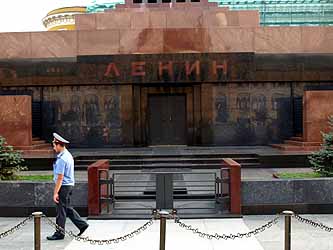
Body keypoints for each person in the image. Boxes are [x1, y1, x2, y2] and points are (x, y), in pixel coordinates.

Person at [47, 133, 89, 240]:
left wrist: (55, 192)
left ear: (59, 145)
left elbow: (60, 178)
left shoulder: (62, 159)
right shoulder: (68, 155)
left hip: (64, 186)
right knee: (66, 208)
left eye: (54, 145)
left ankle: (59, 233)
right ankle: (82, 225)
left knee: (61, 210)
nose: (53, 147)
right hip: (69, 185)